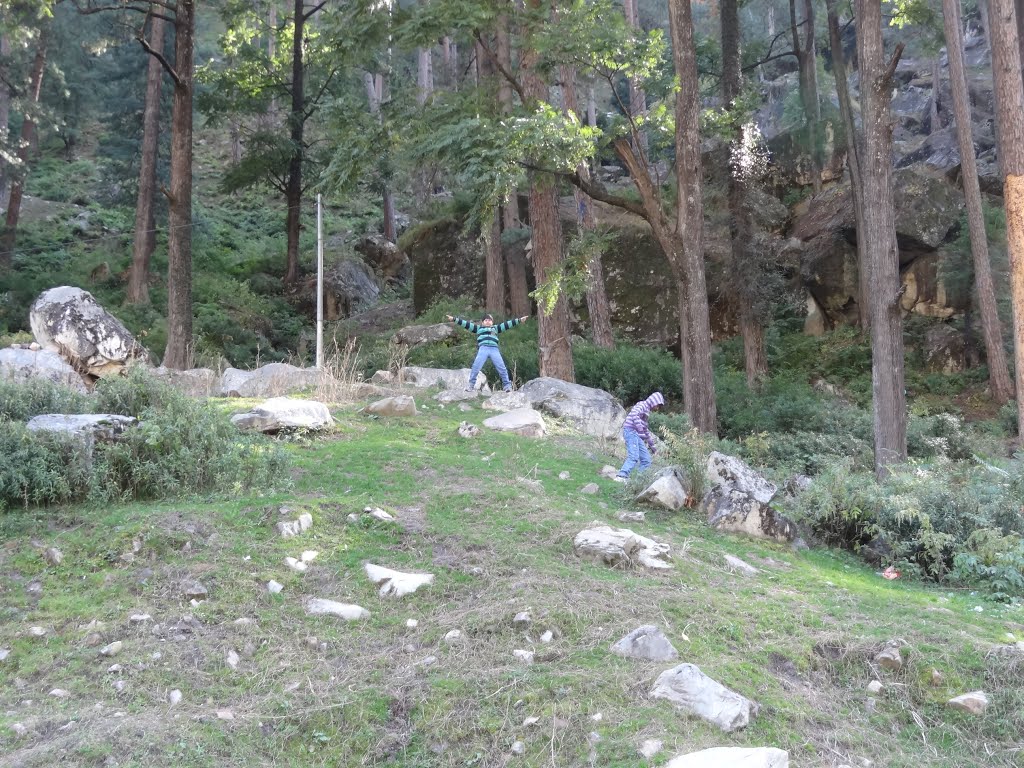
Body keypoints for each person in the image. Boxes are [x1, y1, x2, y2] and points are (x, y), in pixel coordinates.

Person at [446, 312, 529, 392]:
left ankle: (507, 386)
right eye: (486, 320)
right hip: (483, 348)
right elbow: (466, 324)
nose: (488, 321)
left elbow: (507, 324)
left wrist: (519, 320)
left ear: (492, 322)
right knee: (476, 366)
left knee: (502, 367)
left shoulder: (496, 328)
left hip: (494, 349)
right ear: (482, 322)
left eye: (489, 320)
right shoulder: (478, 329)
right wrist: (454, 319)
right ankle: (471, 385)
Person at [614, 391, 665, 482]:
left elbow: (645, 431)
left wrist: (654, 449)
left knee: (646, 460)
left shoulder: (646, 412)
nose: (657, 408)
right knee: (633, 456)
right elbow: (634, 414)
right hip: (630, 431)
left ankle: (638, 482)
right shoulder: (642, 405)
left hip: (636, 434)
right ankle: (621, 476)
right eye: (657, 406)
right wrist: (640, 429)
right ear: (653, 402)